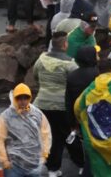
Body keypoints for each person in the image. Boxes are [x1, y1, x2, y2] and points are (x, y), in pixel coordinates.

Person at [32, 32, 83, 176]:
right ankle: (81, 164)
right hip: (62, 105)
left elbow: (35, 76)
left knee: (50, 136)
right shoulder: (70, 64)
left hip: (42, 104)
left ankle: (53, 169)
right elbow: (75, 84)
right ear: (65, 44)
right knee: (69, 135)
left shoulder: (41, 59)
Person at [0, 83, 52, 177]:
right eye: (19, 98)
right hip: (14, 166)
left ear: (30, 98)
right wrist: (4, 160)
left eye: (25, 98)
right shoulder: (6, 117)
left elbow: (46, 134)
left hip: (34, 165)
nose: (23, 101)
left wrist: (44, 154)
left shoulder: (37, 114)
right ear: (15, 98)